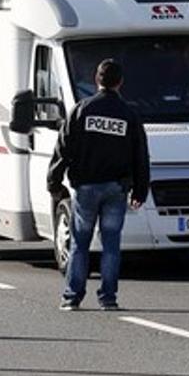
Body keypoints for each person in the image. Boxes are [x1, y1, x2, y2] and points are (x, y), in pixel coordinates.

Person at [47, 59, 150, 311]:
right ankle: (108, 298)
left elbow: (64, 148)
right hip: (116, 188)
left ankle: (72, 297)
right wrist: (140, 189)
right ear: (120, 82)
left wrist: (54, 181)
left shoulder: (82, 110)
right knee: (111, 243)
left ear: (97, 80)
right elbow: (140, 156)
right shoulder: (128, 114)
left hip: (86, 188)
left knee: (80, 244)